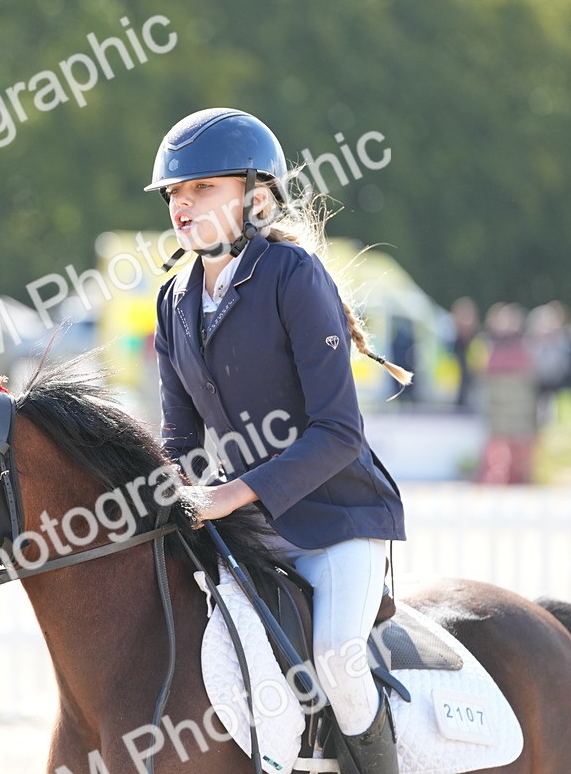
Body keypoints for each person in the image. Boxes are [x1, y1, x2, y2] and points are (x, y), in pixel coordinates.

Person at [147, 108, 410, 774]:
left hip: (340, 517)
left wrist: (229, 494)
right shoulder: (174, 299)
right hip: (251, 532)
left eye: (202, 187)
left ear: (255, 195)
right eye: (175, 192)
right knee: (241, 677)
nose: (182, 203)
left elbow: (340, 431)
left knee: (339, 662)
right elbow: (181, 436)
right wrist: (176, 490)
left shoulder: (293, 276)